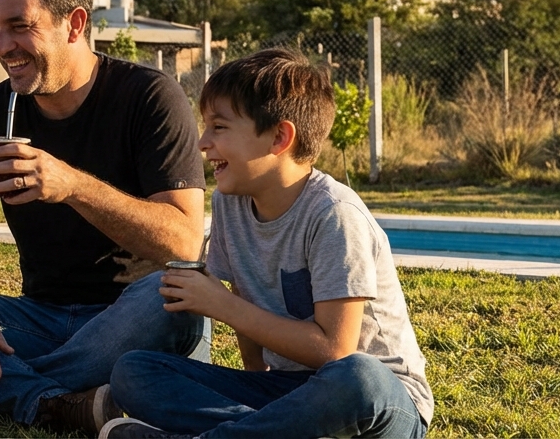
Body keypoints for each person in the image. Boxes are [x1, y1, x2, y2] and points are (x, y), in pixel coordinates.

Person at [0, 0, 209, 435]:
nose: (3, 46)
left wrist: (71, 185)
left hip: (132, 317)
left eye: (19, 26)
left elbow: (183, 244)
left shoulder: (149, 97)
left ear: (74, 24)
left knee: (169, 301)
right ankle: (57, 403)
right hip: (38, 319)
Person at [105, 48, 433, 438]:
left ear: (279, 137)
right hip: (288, 391)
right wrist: (255, 379)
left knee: (359, 375)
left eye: (219, 127)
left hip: (377, 402)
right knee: (135, 371)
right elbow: (246, 296)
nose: (202, 143)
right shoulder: (230, 203)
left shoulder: (333, 214)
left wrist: (221, 305)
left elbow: (335, 351)